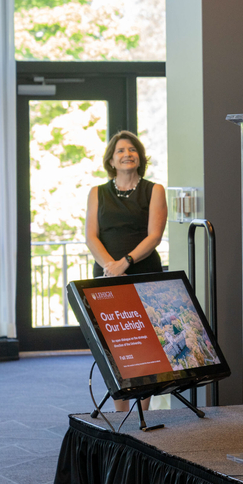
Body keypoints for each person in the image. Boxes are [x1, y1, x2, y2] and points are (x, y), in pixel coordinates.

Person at [85, 130, 167, 412]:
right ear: (111, 159)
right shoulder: (97, 193)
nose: (126, 154)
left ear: (140, 157)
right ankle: (122, 414)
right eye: (120, 150)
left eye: (132, 149)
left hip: (144, 274)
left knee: (146, 343)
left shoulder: (154, 190)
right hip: (108, 277)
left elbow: (154, 236)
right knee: (115, 345)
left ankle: (142, 411)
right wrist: (110, 265)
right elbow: (91, 237)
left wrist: (125, 262)